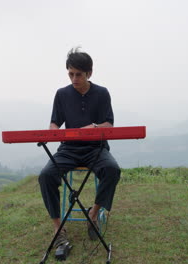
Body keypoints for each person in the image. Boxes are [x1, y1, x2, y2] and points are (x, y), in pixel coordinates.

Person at [38, 47, 121, 257]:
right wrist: (54, 134)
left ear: (89, 73)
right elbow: (55, 122)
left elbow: (108, 124)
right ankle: (58, 227)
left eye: (79, 74)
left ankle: (93, 215)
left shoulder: (102, 93)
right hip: (69, 149)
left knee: (112, 170)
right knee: (46, 176)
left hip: (96, 148)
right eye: (70, 74)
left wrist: (93, 128)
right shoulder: (62, 94)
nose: (74, 79)